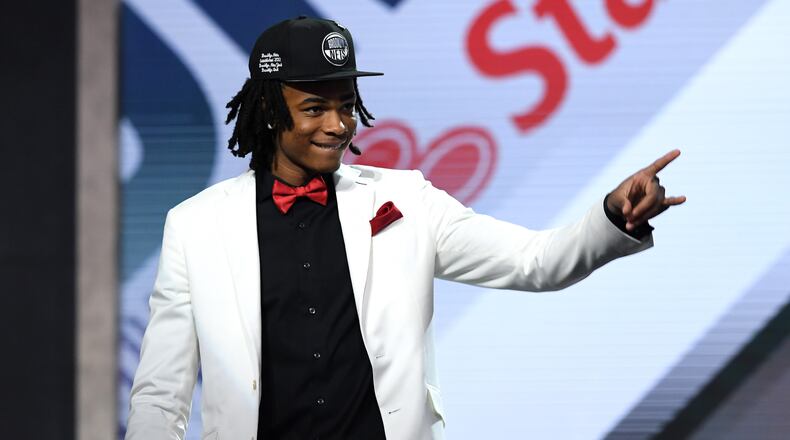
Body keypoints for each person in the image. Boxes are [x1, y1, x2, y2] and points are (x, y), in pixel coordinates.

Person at [125, 16, 685, 440]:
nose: (339, 125)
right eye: (315, 107)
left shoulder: (406, 200)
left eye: (347, 106)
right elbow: (161, 395)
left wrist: (613, 216)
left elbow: (535, 262)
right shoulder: (196, 227)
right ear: (271, 110)